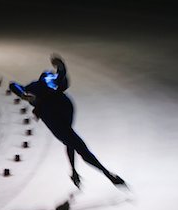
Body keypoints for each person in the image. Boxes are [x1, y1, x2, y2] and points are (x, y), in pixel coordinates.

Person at [9, 54, 126, 189]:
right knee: (78, 145)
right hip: (54, 116)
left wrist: (61, 67)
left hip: (59, 113)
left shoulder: (51, 84)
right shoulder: (37, 86)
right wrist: (22, 94)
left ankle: (77, 172)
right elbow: (14, 85)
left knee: (71, 141)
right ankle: (108, 175)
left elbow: (14, 85)